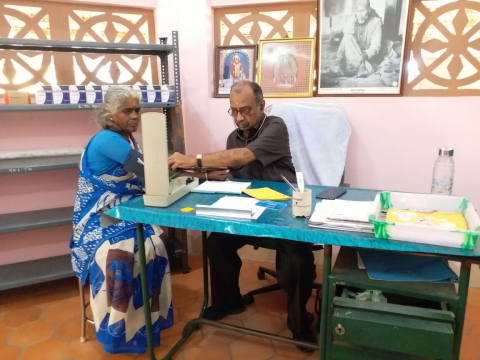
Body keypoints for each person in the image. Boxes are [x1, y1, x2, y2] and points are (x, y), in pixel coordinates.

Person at [70, 86, 228, 354]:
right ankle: (122, 329)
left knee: (155, 240)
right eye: (127, 110)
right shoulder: (109, 140)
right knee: (129, 250)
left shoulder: (128, 139)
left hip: (125, 212)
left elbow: (153, 172)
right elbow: (152, 176)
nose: (135, 116)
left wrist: (199, 173)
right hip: (100, 220)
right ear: (109, 113)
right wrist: (204, 175)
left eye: (137, 109)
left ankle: (145, 319)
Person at [168, 80, 317, 351]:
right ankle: (229, 301)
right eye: (233, 111)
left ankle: (299, 323)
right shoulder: (234, 136)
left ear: (261, 106)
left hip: (283, 210)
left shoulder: (276, 126)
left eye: (246, 110)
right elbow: (233, 168)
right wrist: (211, 173)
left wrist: (193, 159)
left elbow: (243, 156)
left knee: (296, 257)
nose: (239, 117)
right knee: (216, 242)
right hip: (249, 211)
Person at [336, 0, 383, 77]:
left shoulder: (376, 22)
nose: (360, 14)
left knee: (347, 68)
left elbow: (376, 46)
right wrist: (354, 19)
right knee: (347, 37)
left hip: (366, 53)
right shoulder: (353, 19)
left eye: (362, 10)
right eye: (358, 11)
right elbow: (347, 34)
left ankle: (360, 66)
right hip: (353, 51)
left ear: (369, 10)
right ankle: (364, 67)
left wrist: (361, 58)